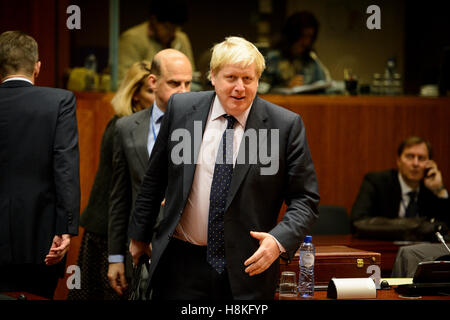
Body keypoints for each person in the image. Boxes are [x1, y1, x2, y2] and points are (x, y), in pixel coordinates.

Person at [128, 36, 320, 300]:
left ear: (258, 80)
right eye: (231, 78)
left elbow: (305, 199)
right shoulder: (182, 109)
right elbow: (154, 179)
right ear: (213, 76)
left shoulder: (283, 126)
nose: (240, 88)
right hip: (181, 265)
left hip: (248, 268)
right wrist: (138, 238)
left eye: (248, 79)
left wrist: (278, 242)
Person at [0, 31, 80, 299]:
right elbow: (65, 168)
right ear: (37, 66)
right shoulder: (59, 101)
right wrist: (66, 228)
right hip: (42, 236)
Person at [108, 49, 192, 297]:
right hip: (141, 246)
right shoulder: (126, 128)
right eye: (175, 83)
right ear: (154, 82)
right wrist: (115, 257)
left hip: (185, 246)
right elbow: (119, 197)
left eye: (188, 83)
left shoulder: (200, 126)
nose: (184, 91)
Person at [67, 61, 154, 300]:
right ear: (135, 94)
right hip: (108, 233)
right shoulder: (122, 126)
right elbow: (118, 190)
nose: (159, 97)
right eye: (150, 91)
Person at [351, 136, 449, 228]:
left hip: (422, 246)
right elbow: (358, 221)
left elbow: (445, 227)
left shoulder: (430, 188)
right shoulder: (377, 182)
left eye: (421, 158)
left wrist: (439, 191)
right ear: (399, 161)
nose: (415, 163)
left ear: (429, 163)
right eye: (410, 156)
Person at [118, 0, 195, 82]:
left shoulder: (180, 38)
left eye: (175, 28)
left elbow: (191, 75)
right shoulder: (132, 38)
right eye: (167, 27)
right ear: (153, 20)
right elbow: (124, 79)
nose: (173, 33)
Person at [262, 11, 330, 90]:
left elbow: (324, 85)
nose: (306, 42)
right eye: (303, 36)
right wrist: (286, 87)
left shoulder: (311, 61)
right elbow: (260, 90)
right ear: (292, 36)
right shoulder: (272, 60)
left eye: (310, 37)